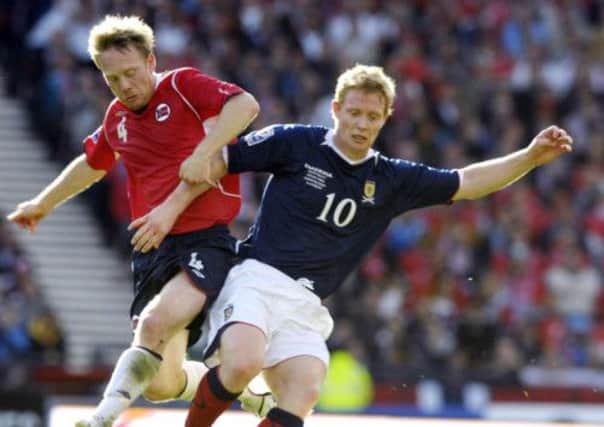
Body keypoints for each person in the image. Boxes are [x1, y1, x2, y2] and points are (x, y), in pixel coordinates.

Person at [132, 64, 574, 427]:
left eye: (373, 117)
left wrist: (530, 157)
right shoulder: (294, 142)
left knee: (303, 393)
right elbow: (218, 162)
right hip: (256, 279)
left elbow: (468, 182)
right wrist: (171, 208)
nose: (362, 124)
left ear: (385, 118)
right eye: (355, 113)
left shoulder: (391, 179)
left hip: (306, 304)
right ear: (337, 109)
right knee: (243, 363)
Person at [6, 14, 274, 427]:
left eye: (131, 73)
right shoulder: (117, 116)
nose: (125, 86)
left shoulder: (181, 86)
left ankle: (102, 418)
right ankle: (242, 388)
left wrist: (204, 151)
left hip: (205, 241)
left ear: (151, 61)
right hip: (152, 249)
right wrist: (43, 203)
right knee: (161, 385)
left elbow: (245, 105)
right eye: (112, 79)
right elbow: (93, 163)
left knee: (152, 323)